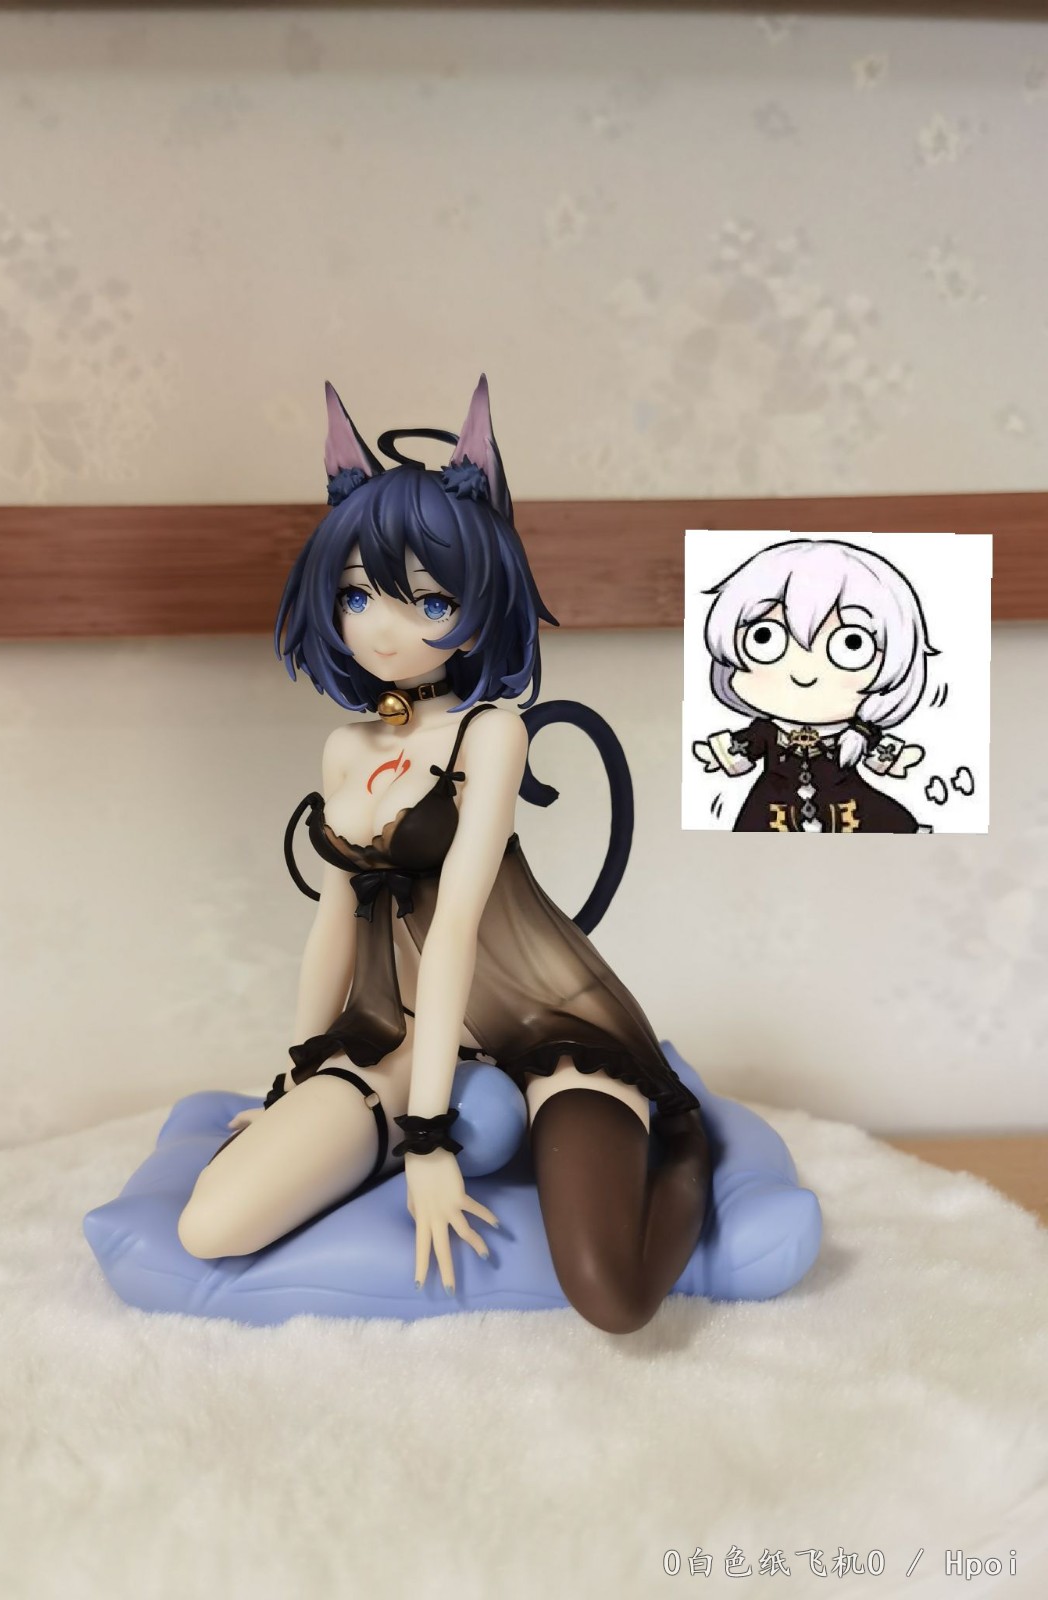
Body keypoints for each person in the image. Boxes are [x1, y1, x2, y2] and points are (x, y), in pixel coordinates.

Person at [177, 375, 710, 1334]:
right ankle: (385, 1131)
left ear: (478, 596)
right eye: (356, 595)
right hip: (404, 1032)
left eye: (426, 598)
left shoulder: (489, 733)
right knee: (209, 1225)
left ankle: (696, 1168)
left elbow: (456, 926)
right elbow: (332, 925)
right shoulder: (346, 748)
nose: (383, 627)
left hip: (538, 1022)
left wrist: (429, 1141)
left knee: (611, 1293)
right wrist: (296, 1078)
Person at [693, 538, 933, 833]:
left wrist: (892, 757)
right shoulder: (767, 732)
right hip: (774, 810)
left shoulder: (855, 734)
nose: (803, 674)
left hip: (848, 810)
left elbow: (883, 754)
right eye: (764, 638)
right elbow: (742, 750)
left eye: (852, 644)